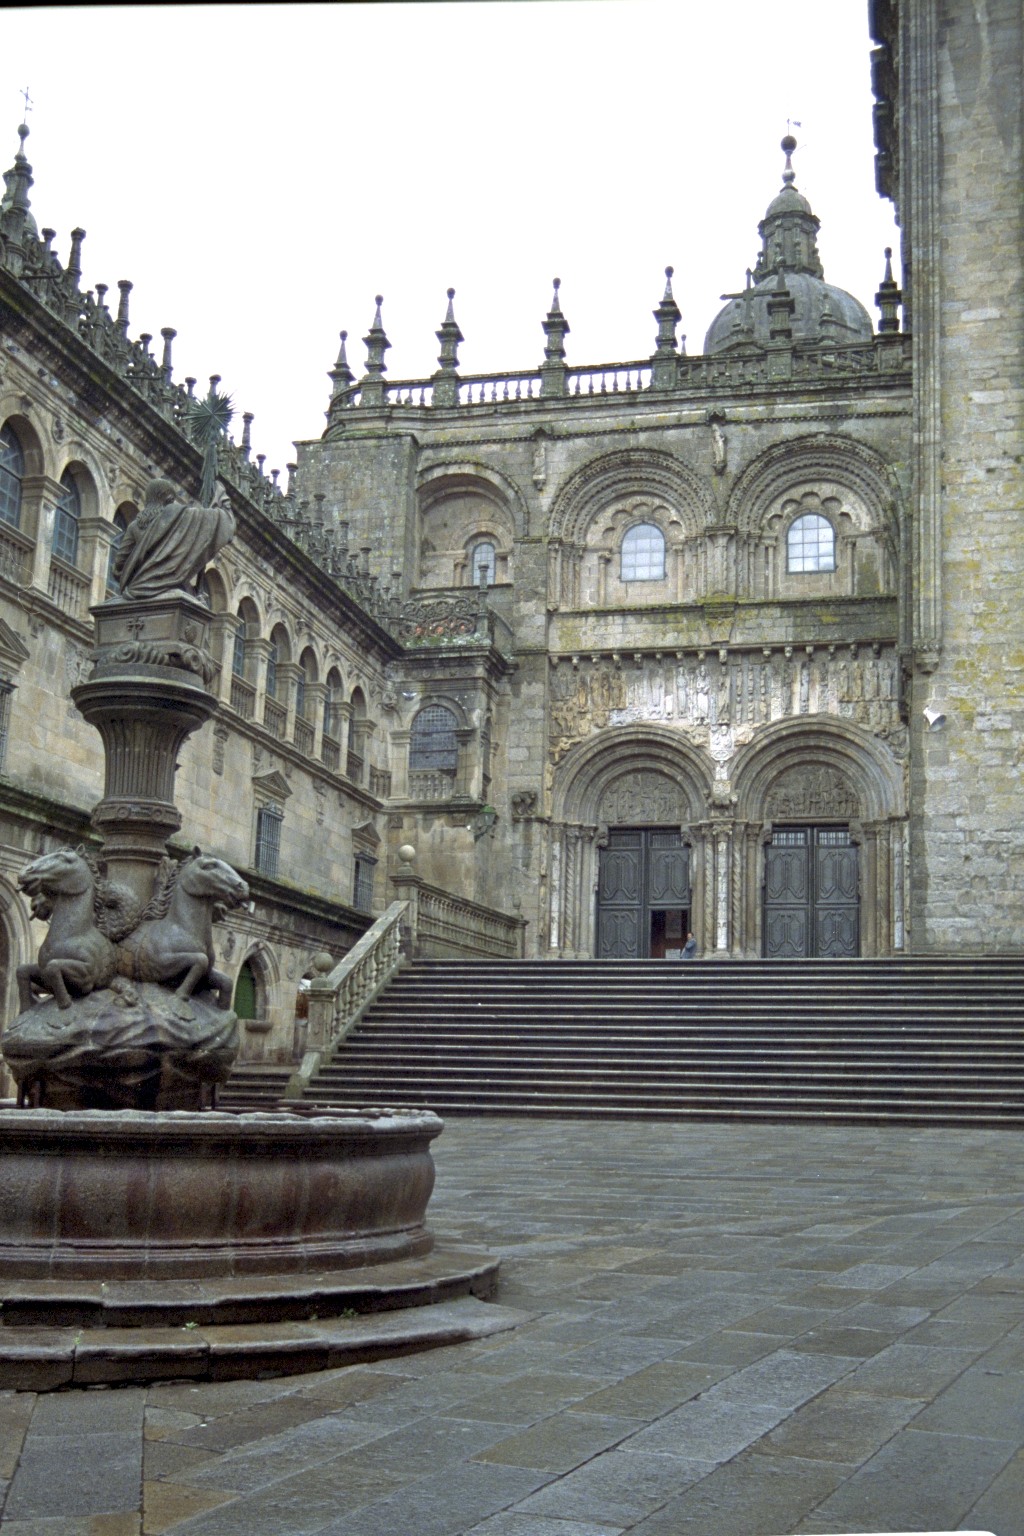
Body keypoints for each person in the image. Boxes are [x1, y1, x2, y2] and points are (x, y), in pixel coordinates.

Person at [111, 478, 235, 601]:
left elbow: (119, 564)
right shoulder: (178, 518)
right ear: (169, 499)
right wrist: (220, 496)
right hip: (171, 585)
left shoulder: (134, 526)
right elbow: (222, 521)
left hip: (136, 587)